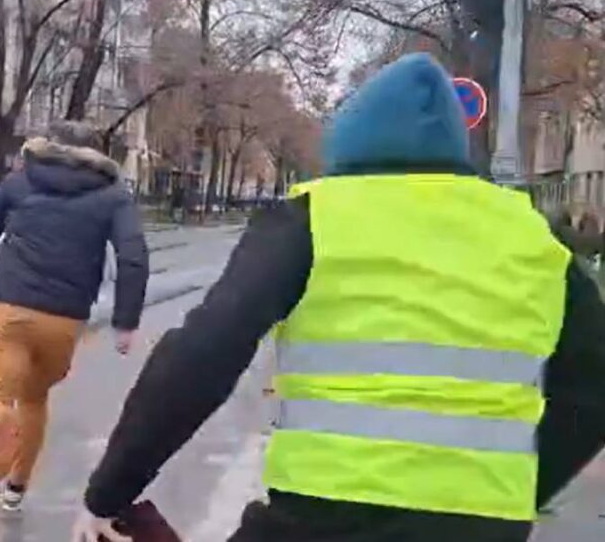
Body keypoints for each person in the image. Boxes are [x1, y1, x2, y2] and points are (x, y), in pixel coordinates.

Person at [72, 53, 605, 542]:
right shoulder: (534, 238)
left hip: (321, 520)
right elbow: (593, 386)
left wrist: (110, 492)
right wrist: (519, 489)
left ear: (350, 145)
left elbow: (204, 352)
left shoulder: (312, 218)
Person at [0, 120, 150, 511]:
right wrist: (126, 322)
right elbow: (133, 257)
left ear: (47, 145)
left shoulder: (21, 181)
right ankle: (16, 487)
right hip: (65, 322)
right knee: (34, 398)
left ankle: (0, 426)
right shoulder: (113, 195)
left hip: (12, 310)